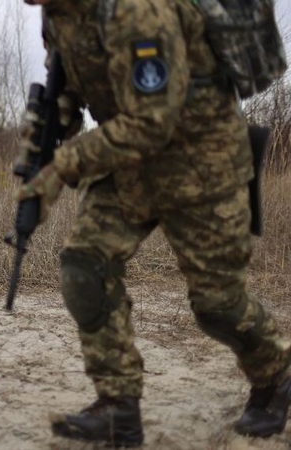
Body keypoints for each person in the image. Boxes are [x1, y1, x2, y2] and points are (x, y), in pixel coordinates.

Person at [17, 0, 291, 446]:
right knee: (84, 268)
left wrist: (62, 167)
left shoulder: (136, 9)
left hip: (202, 167)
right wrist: (49, 123)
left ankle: (276, 374)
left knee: (217, 306)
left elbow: (150, 122)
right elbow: (70, 83)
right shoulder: (57, 15)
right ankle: (118, 406)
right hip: (130, 168)